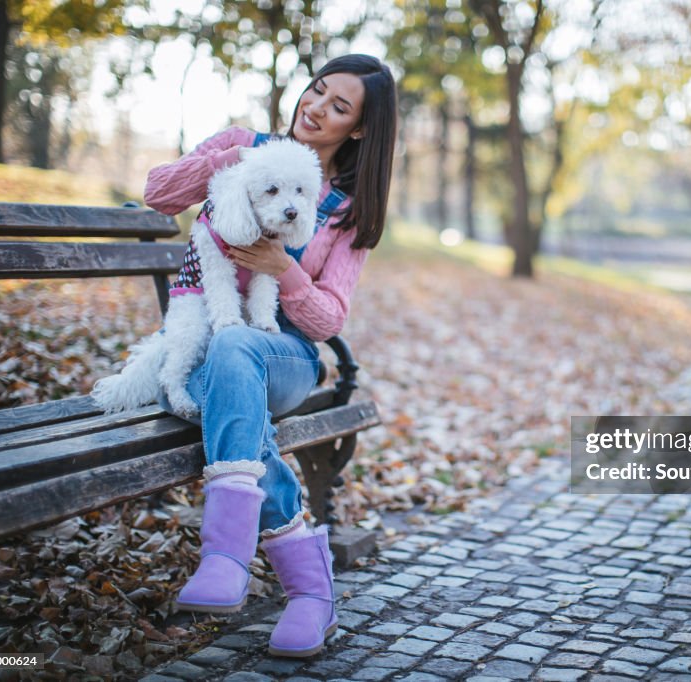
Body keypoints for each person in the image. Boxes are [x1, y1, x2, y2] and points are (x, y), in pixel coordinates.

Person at [142, 54, 397, 658]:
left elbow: (329, 318)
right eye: (317, 91)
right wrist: (237, 160)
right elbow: (157, 194)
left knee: (239, 347)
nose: (315, 108)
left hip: (284, 354)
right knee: (230, 364)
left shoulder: (348, 210)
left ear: (358, 129)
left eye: (339, 107)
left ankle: (227, 557)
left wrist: (284, 270)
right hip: (211, 349)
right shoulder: (241, 143)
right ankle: (311, 589)